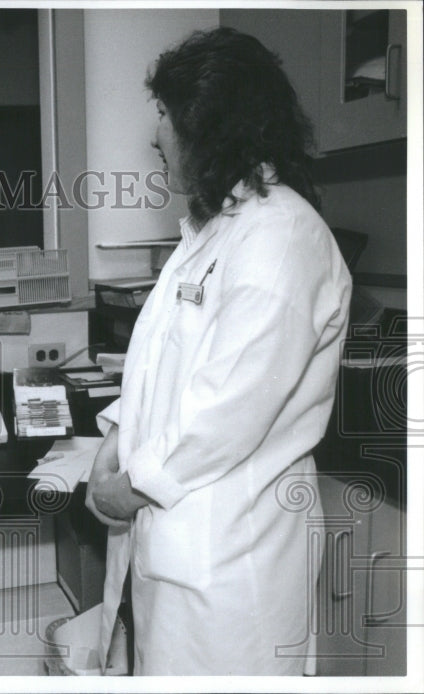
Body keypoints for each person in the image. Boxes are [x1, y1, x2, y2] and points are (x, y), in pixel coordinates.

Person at [85, 28, 351, 675]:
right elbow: (157, 362)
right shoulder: (211, 231)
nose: (156, 136)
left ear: (207, 123)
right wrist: (113, 438)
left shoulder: (281, 237)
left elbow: (224, 409)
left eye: (165, 116)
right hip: (179, 559)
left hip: (234, 573)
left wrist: (125, 488)